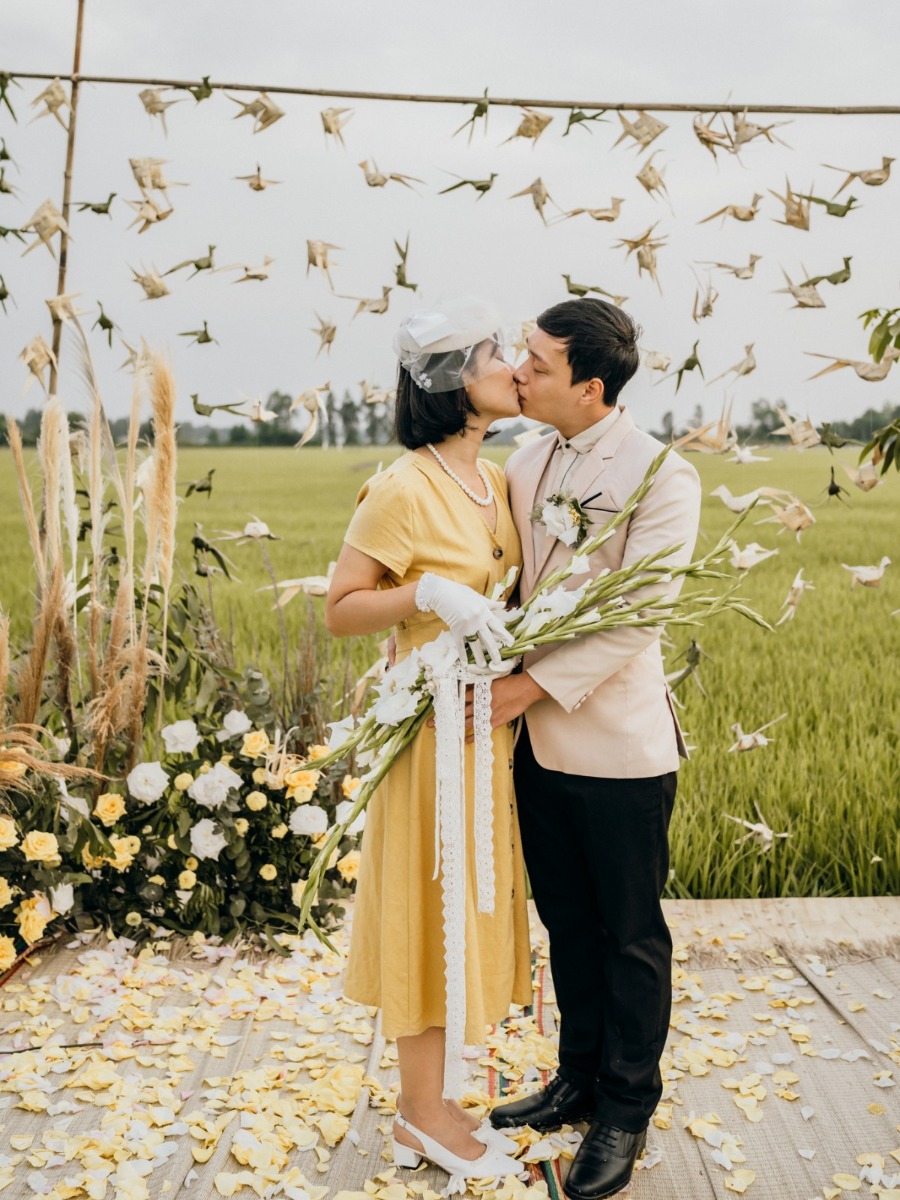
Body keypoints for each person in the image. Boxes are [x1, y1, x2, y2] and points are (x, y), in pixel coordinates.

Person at [485, 298, 702, 1200]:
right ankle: (575, 1077)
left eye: (537, 363)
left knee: (629, 936)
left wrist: (522, 688)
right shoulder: (526, 461)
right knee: (566, 927)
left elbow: (641, 615)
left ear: (591, 384)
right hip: (538, 747)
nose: (518, 373)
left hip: (620, 751)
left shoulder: (663, 477)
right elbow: (509, 585)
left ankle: (624, 1107)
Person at [325, 298, 532, 1182]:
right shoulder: (403, 488)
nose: (512, 366)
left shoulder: (500, 479)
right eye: (495, 356)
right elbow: (340, 607)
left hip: (487, 732)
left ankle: (438, 1103)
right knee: (423, 906)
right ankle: (418, 1113)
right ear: (455, 385)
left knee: (464, 913)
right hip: (431, 739)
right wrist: (425, 597)